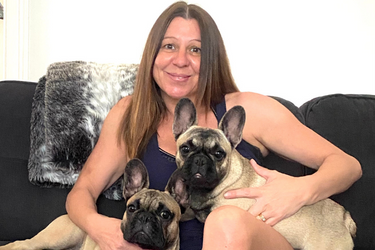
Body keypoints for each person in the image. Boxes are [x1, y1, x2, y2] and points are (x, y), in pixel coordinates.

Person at [66, 1, 362, 250]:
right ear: (152, 55)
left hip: (252, 241)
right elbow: (82, 192)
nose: (180, 60)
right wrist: (102, 229)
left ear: (211, 59)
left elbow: (347, 166)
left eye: (195, 50)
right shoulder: (130, 114)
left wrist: (299, 190)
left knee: (226, 218)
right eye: (169, 46)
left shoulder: (248, 110)